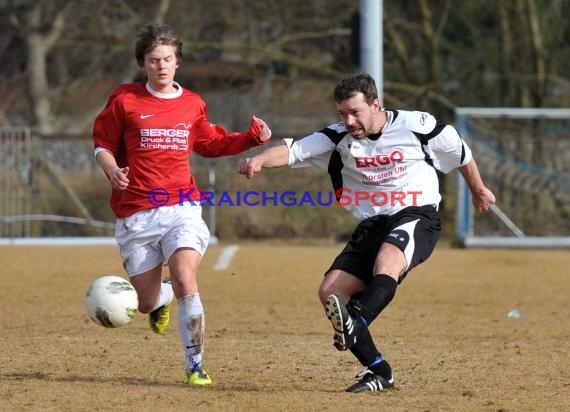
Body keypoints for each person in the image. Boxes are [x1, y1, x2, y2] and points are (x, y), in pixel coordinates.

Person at [238, 73, 495, 393]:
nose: (348, 120)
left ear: (376, 105)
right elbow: (293, 151)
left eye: (355, 112)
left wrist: (479, 189)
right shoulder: (336, 138)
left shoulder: (416, 125)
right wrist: (260, 160)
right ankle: (379, 370)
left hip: (418, 215)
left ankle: (356, 323)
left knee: (387, 261)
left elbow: (460, 152)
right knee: (330, 291)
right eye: (342, 114)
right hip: (373, 224)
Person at [92, 23, 271, 386]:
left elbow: (211, 142)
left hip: (181, 207)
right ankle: (161, 298)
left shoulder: (192, 103)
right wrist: (112, 171)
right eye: (154, 59)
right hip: (136, 214)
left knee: (188, 277)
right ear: (142, 63)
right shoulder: (125, 99)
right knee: (142, 303)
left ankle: (196, 366)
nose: (161, 65)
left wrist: (251, 139)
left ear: (178, 62)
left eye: (168, 59)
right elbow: (103, 144)